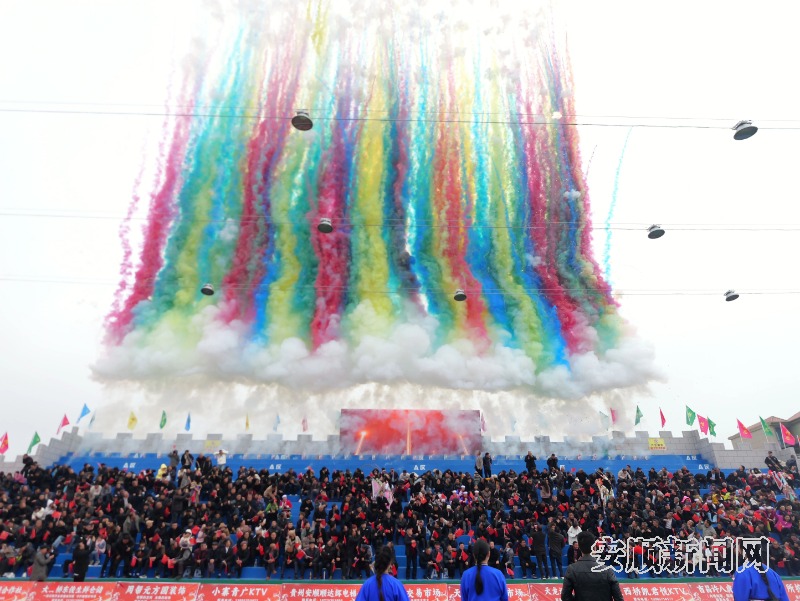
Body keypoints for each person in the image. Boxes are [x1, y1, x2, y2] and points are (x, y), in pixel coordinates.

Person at [561, 532, 623, 601]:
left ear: (579, 547)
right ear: (594, 547)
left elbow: (565, 597)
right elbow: (619, 598)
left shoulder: (572, 569)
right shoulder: (607, 570)